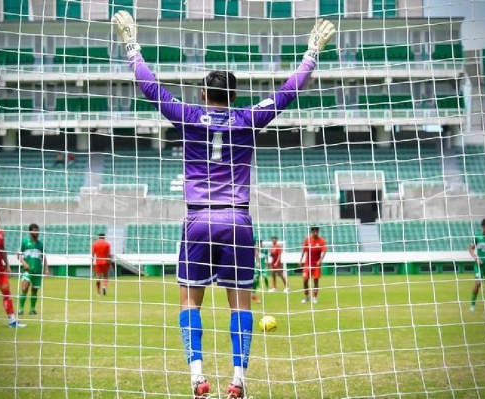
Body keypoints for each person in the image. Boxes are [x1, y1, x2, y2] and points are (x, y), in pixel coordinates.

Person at [113, 10, 335, 398]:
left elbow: (151, 88)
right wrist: (311, 53)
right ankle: (238, 381)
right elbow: (286, 92)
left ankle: (197, 377)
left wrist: (132, 47)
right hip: (237, 219)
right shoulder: (248, 117)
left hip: (197, 218)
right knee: (240, 304)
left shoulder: (187, 115)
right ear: (233, 96)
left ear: (202, 94)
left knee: (190, 300)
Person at [18, 223, 49, 316]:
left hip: (38, 271)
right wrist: (24, 263)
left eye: (37, 230)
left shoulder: (40, 244)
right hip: (28, 270)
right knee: (24, 288)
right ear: (30, 231)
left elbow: (44, 257)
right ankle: (20, 309)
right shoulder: (24, 242)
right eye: (35, 230)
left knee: (35, 290)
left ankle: (32, 309)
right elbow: (18, 254)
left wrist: (46, 269)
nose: (37, 232)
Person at [300, 226, 327, 304]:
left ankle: (314, 297)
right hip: (307, 264)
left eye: (316, 231)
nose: (315, 233)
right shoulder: (307, 240)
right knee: (305, 280)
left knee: (315, 281)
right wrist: (300, 260)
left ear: (318, 232)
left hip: (316, 265)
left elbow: (324, 252)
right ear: (311, 232)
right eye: (314, 231)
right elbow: (303, 250)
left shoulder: (322, 241)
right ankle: (306, 297)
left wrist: (320, 260)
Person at [251, 239, 270, 304]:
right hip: (255, 266)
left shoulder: (264, 250)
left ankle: (267, 288)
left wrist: (267, 264)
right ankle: (254, 292)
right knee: (255, 279)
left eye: (260, 242)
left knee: (265, 277)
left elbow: (266, 257)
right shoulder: (255, 249)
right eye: (258, 242)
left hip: (263, 266)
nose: (259, 243)